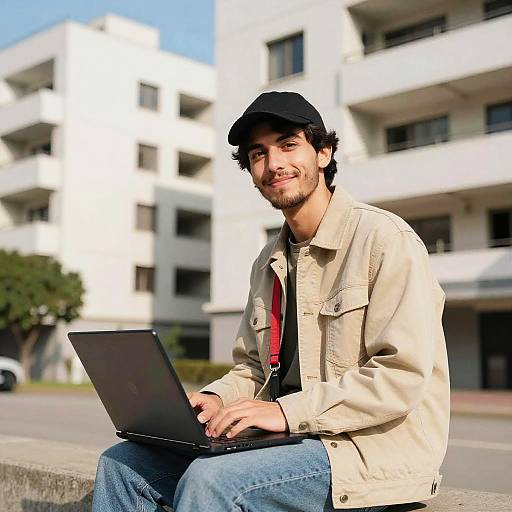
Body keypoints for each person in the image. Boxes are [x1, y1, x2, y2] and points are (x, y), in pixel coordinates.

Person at [93, 91, 450, 512]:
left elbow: (399, 376)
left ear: (323, 152)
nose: (274, 164)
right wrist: (215, 399)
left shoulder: (385, 240)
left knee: (212, 482)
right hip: (291, 440)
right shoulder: (268, 261)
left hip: (368, 452)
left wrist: (284, 412)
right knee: (123, 464)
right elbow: (255, 368)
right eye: (258, 154)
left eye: (287, 144)